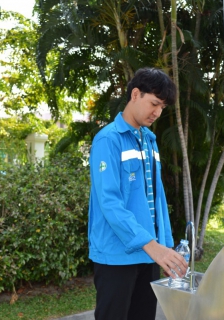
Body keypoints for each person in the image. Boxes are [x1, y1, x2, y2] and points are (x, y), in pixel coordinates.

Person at [88, 67, 188, 320]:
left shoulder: (149, 141)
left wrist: (164, 249)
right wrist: (154, 247)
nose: (157, 112)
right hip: (115, 256)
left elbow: (157, 199)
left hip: (148, 253)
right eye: (154, 103)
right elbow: (110, 203)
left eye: (162, 107)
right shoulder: (108, 140)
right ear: (135, 94)